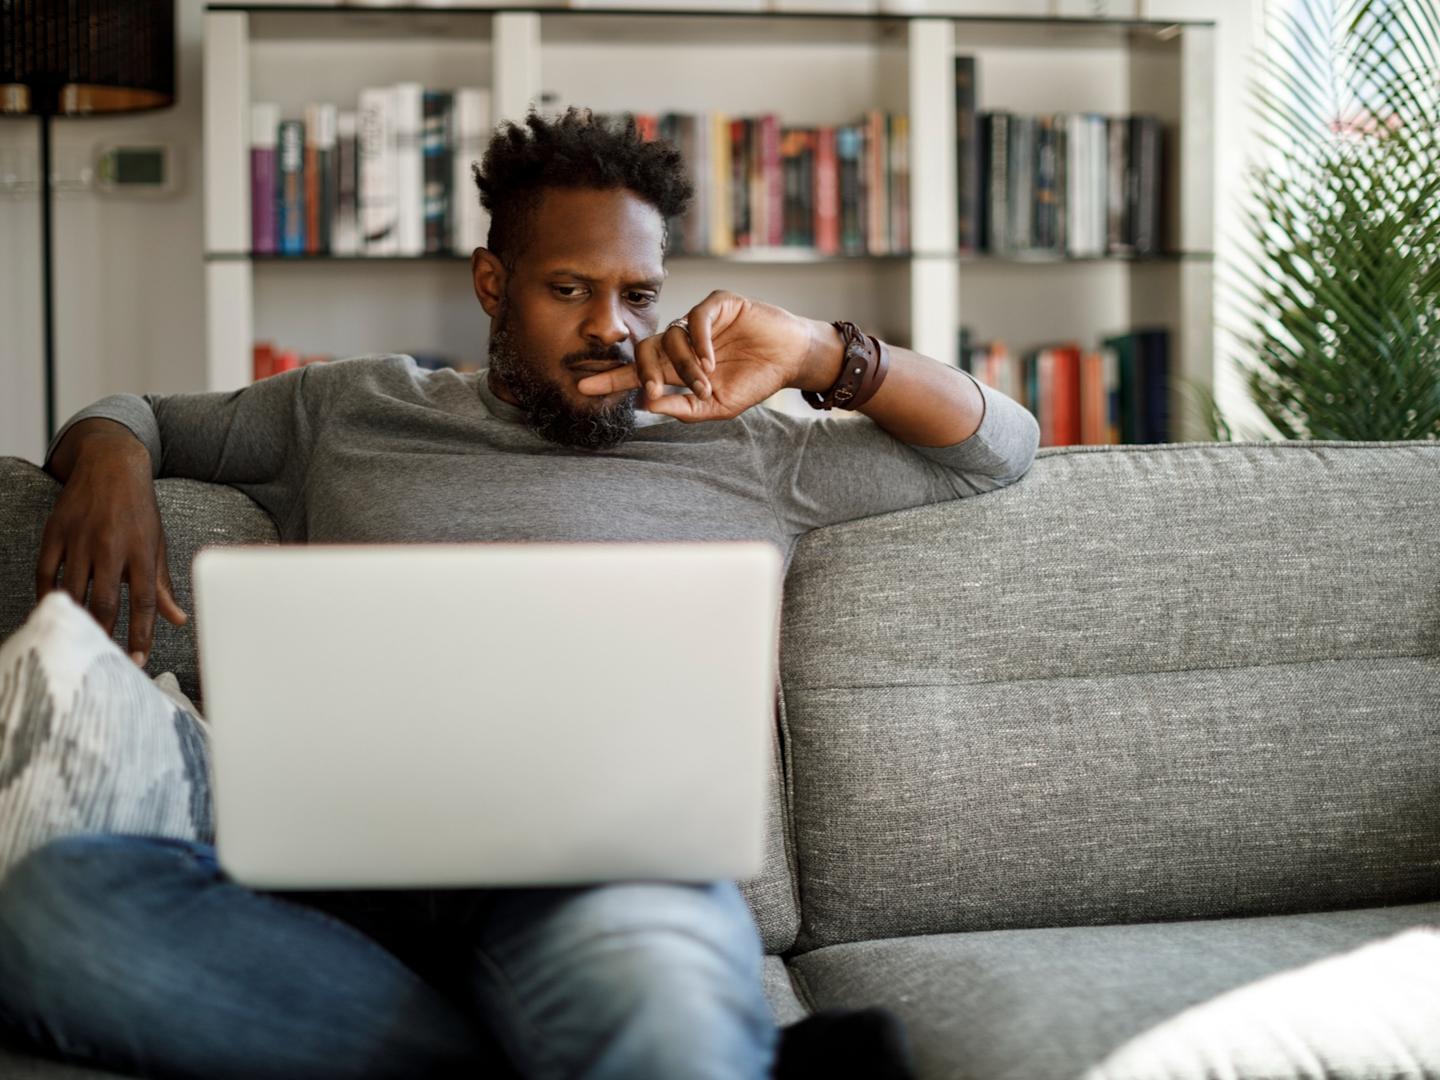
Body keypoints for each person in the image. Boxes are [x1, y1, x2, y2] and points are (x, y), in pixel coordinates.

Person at [0, 106, 1040, 1079]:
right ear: (493, 284)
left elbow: (996, 449)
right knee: (49, 908)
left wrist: (821, 352)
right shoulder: (347, 408)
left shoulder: (742, 445)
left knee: (649, 982)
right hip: (339, 893)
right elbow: (132, 412)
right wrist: (107, 463)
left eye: (637, 295)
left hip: (611, 877)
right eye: (568, 289)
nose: (612, 329)